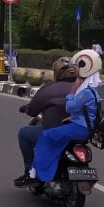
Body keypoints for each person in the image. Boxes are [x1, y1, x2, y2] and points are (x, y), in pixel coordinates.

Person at [28, 50, 100, 184]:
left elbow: (70, 107)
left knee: (37, 136)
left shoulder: (51, 88)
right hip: (86, 130)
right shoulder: (91, 90)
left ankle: (34, 173)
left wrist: (71, 94)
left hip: (78, 128)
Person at [13, 58, 78, 186]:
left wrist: (27, 109)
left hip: (55, 133)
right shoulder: (84, 88)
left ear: (57, 73)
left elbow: (32, 110)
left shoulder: (49, 89)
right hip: (80, 135)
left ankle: (30, 173)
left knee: (24, 133)